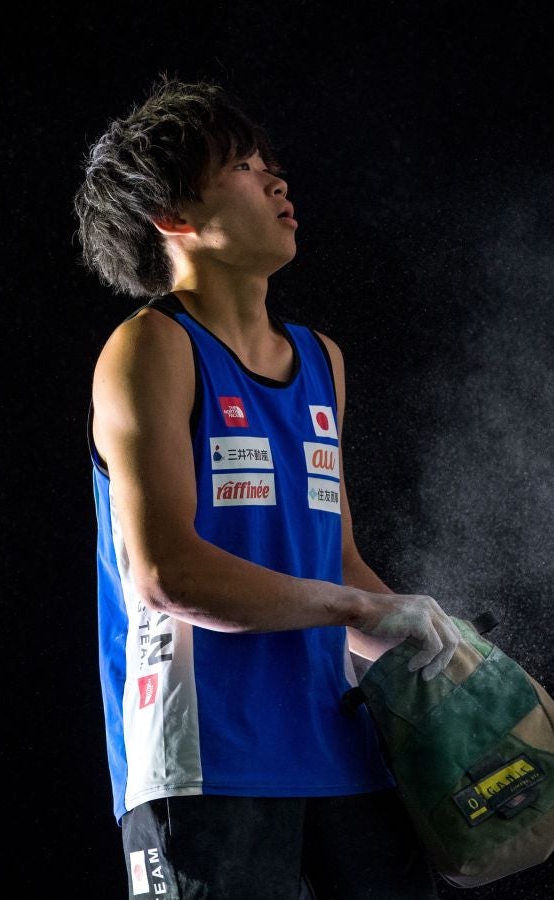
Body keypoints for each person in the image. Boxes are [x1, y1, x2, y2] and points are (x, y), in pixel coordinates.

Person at [73, 75, 461, 900]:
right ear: (173, 216)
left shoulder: (322, 360)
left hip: (343, 752)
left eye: (268, 165)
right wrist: (354, 609)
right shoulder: (150, 349)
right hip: (206, 759)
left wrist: (449, 664)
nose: (277, 181)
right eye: (244, 169)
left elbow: (340, 564)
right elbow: (166, 574)